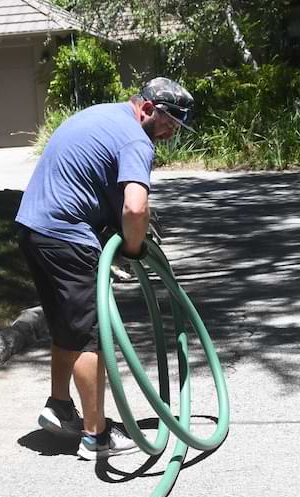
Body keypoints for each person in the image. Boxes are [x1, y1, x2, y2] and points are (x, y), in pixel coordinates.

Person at [15, 77, 195, 460]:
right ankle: (96, 436)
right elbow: (134, 208)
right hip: (66, 236)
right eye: (169, 121)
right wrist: (131, 249)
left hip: (33, 228)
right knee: (88, 338)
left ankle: (61, 407)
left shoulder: (100, 115)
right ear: (147, 109)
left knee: (68, 327)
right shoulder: (135, 139)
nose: (170, 131)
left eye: (177, 126)